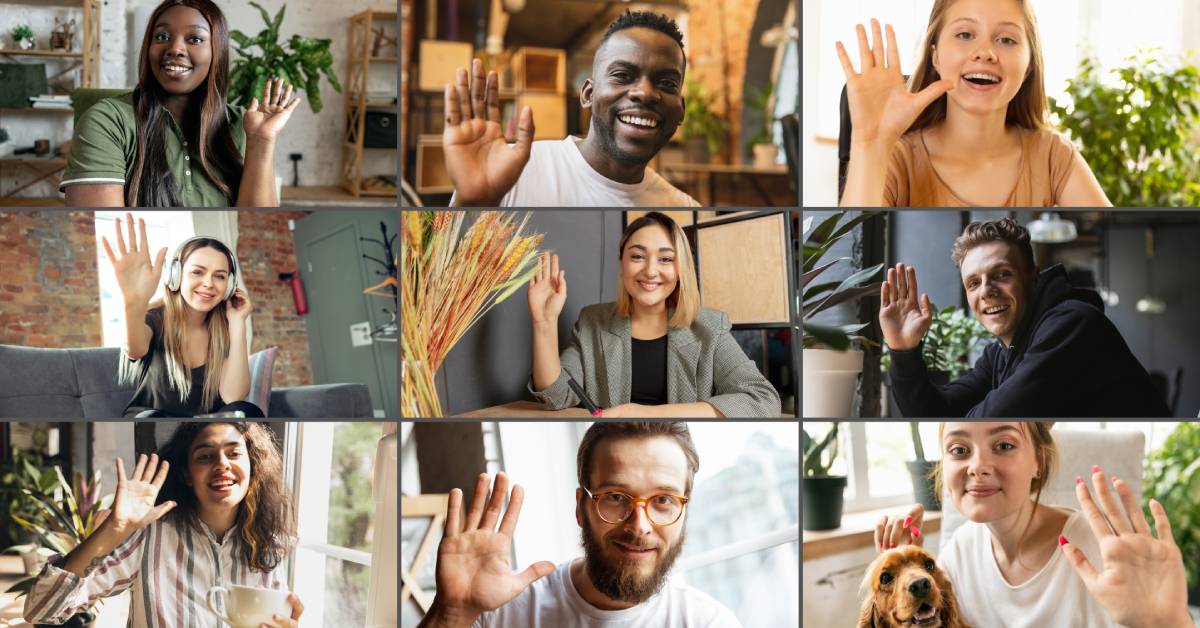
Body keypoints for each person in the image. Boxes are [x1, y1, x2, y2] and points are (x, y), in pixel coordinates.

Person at [418, 421, 742, 628]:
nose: (639, 525)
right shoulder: (497, 610)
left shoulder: (710, 622)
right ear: (580, 506)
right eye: (616, 497)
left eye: (663, 501)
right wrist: (451, 613)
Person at [873, 421, 1195, 628]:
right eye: (959, 450)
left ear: (1038, 460)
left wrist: (1169, 622)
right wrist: (900, 580)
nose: (978, 466)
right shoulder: (958, 552)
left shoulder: (1099, 549)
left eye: (1004, 445)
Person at [24, 422, 304, 628]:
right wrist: (115, 528)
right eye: (205, 456)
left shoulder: (268, 543)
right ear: (186, 474)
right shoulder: (149, 537)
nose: (222, 464)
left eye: (233, 453)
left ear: (253, 467)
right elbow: (40, 609)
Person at [882, 217, 1168, 417]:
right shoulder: (1000, 353)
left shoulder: (1072, 324)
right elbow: (934, 414)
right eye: (973, 283)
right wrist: (903, 349)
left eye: (1002, 275)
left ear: (1032, 278)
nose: (987, 292)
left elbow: (991, 420)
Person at [836, 0, 1111, 206]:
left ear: (1028, 66)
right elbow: (849, 255)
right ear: (935, 57)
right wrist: (871, 146)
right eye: (965, 35)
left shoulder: (1054, 156)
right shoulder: (897, 159)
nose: (985, 53)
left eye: (1006, 39)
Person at [526, 212, 780, 418]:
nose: (650, 271)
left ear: (681, 268)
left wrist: (645, 412)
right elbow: (556, 396)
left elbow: (762, 400)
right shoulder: (593, 321)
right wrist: (544, 322)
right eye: (637, 256)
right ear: (622, 261)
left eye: (666, 259)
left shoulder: (709, 328)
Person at [442, 10, 699, 206]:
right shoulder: (514, 172)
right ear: (588, 94)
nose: (644, 93)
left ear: (681, 111)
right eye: (622, 75)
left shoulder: (683, 207)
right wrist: (473, 205)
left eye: (666, 82)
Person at [61, 0, 300, 207]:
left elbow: (254, 227)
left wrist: (261, 141)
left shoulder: (244, 125)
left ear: (217, 52)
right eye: (162, 37)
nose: (175, 48)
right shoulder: (107, 121)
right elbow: (99, 226)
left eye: (194, 39)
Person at [104, 213, 263, 418]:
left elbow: (234, 398)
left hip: (203, 426)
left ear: (230, 285)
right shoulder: (154, 318)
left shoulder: (225, 327)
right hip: (152, 420)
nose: (209, 283)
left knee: (248, 410)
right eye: (198, 272)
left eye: (219, 276)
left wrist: (238, 322)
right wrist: (133, 303)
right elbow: (134, 349)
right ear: (175, 275)